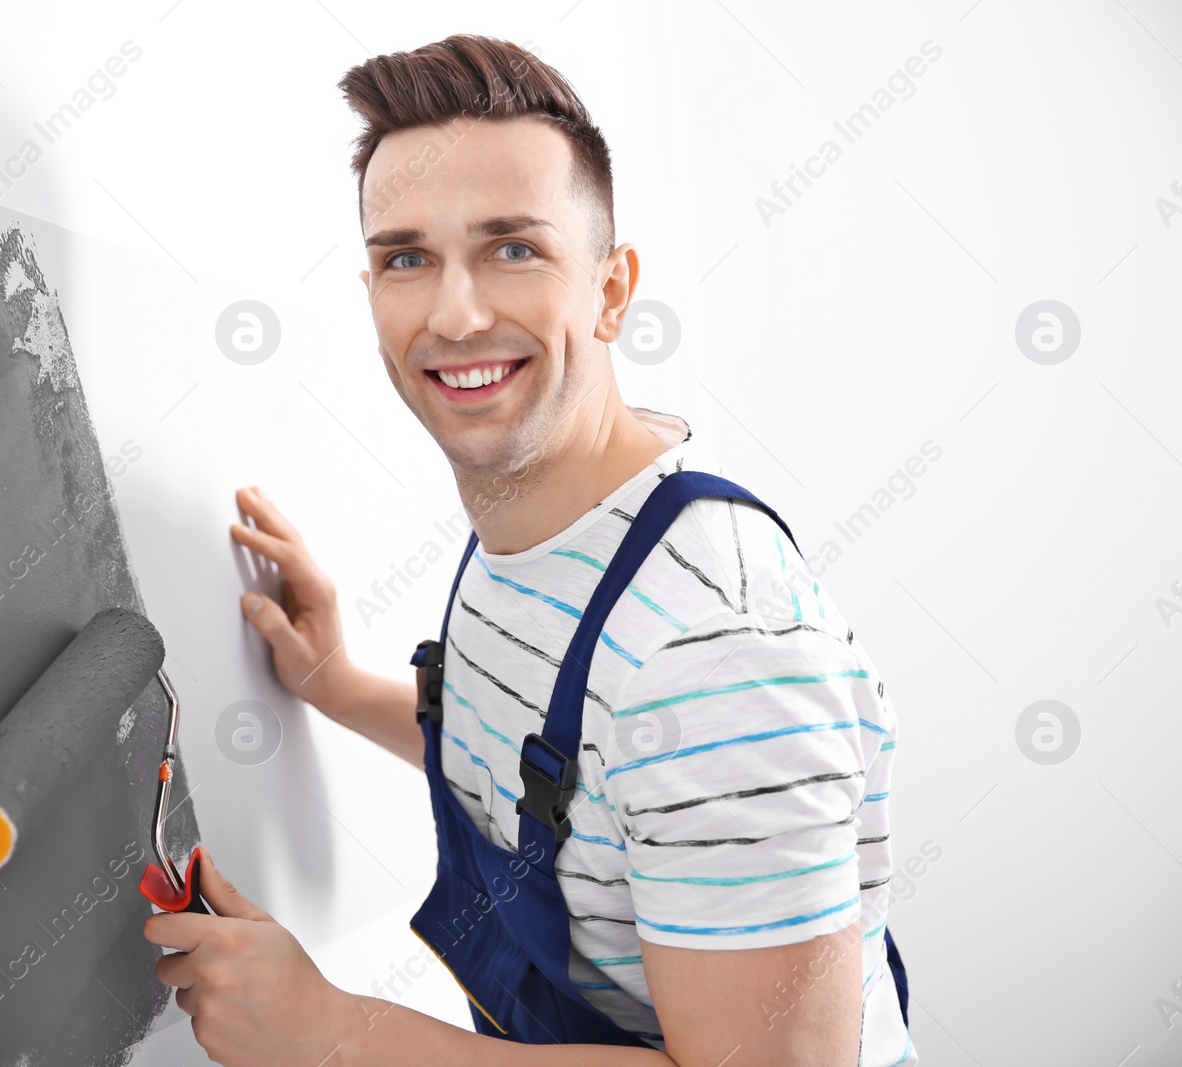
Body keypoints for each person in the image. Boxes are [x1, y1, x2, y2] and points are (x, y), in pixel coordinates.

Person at [143, 34, 915, 1067]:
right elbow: (579, 787)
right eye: (406, 257)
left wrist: (337, 1032)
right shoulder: (537, 537)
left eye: (513, 247)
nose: (455, 314)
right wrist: (336, 682)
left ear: (610, 289)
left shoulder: (722, 656)